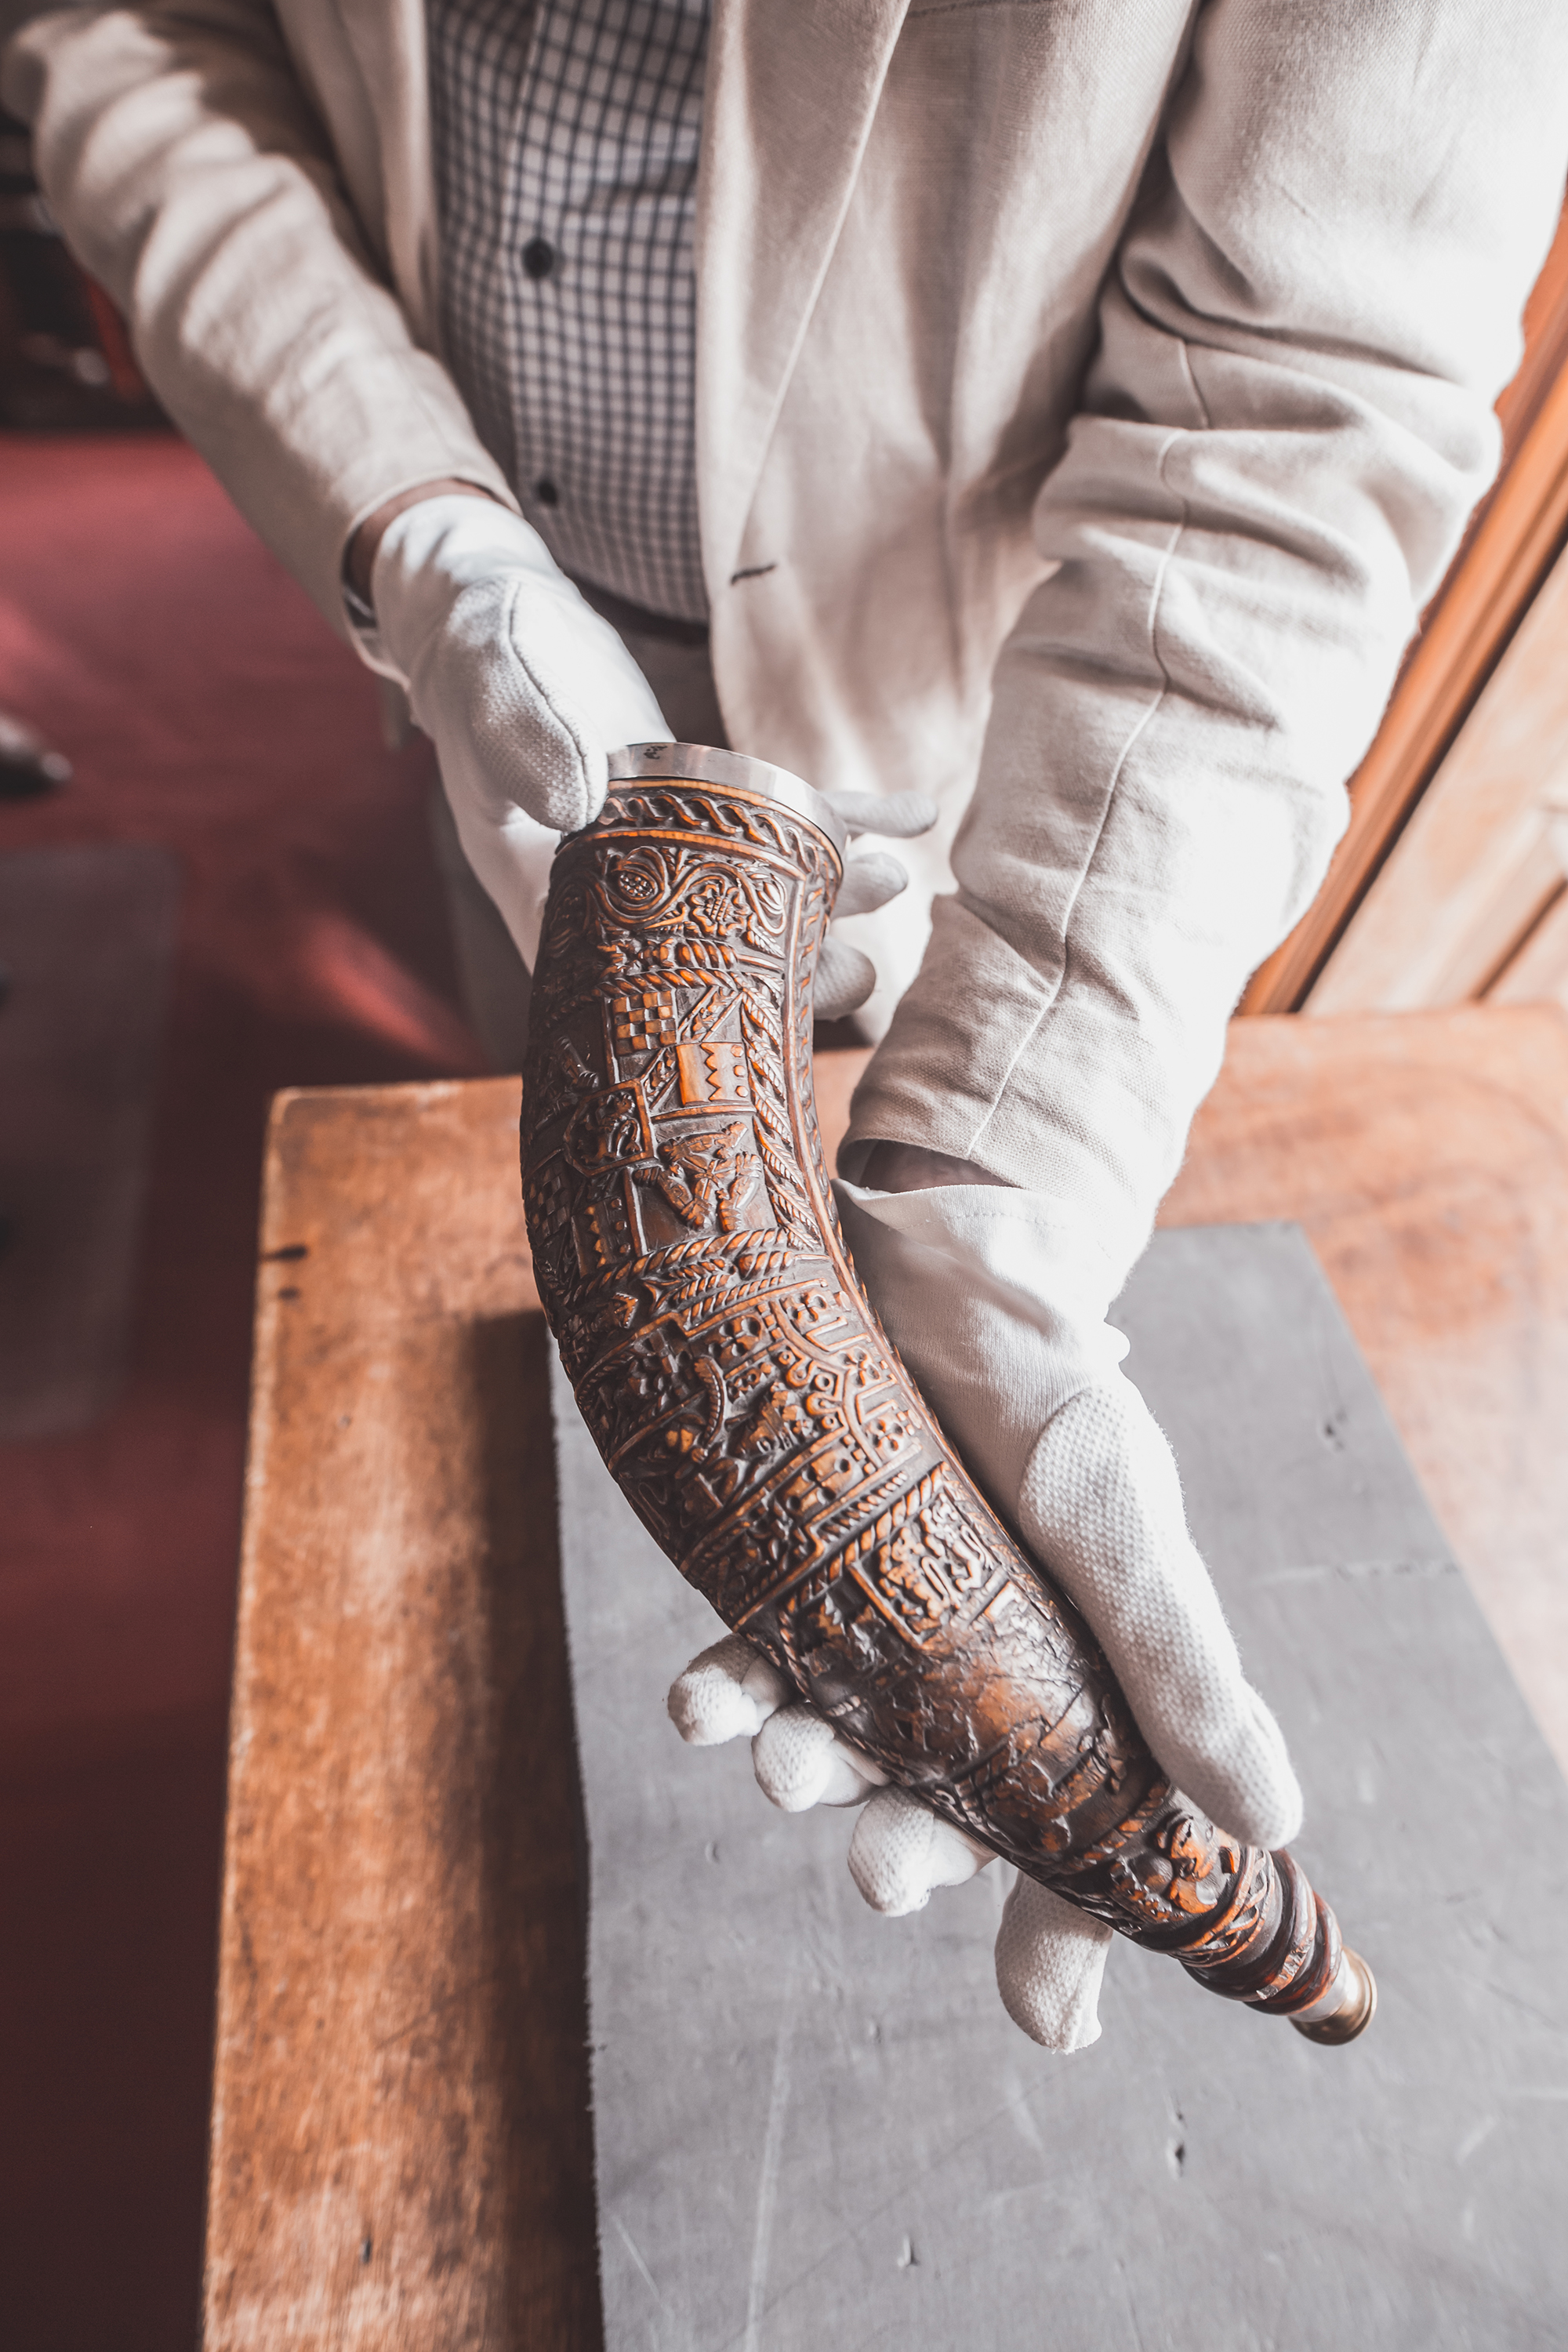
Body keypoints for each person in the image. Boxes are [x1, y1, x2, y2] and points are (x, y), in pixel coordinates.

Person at [10, 0, 1566, 2051]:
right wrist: (424, 538)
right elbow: (128, 31)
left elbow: (1301, 399)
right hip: (477, 625)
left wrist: (995, 1175)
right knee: (513, 1089)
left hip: (983, 763)